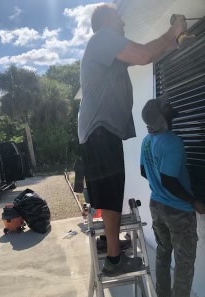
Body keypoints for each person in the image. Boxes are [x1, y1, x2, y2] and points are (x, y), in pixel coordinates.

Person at [78, 3, 187, 277]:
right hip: (100, 130)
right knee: (112, 196)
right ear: (106, 22)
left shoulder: (109, 51)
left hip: (101, 131)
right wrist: (173, 30)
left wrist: (170, 45)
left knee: (112, 196)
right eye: (119, 20)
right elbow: (142, 54)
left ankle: (113, 255)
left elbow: (147, 57)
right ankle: (114, 259)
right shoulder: (103, 39)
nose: (124, 24)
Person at [140, 95, 205, 297]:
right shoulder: (172, 142)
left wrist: (156, 184)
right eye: (166, 106)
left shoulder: (147, 140)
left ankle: (161, 295)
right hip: (177, 210)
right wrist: (193, 201)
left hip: (156, 204)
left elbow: (143, 171)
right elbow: (169, 180)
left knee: (163, 252)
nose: (171, 106)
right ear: (162, 116)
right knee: (185, 261)